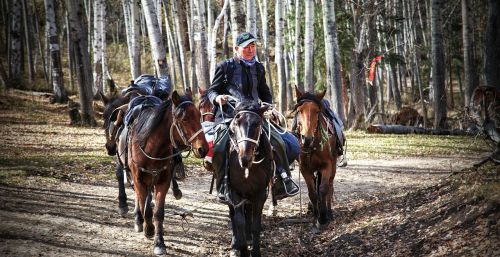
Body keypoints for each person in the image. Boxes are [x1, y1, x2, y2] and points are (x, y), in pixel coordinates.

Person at [206, 32, 300, 201]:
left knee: (281, 142)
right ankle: (223, 185)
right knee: (219, 148)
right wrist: (216, 97)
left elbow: (265, 92)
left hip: (255, 116)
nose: (250, 50)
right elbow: (212, 91)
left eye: (253, 46)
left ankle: (283, 180)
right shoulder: (225, 67)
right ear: (236, 49)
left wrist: (269, 106)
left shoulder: (259, 68)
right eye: (246, 47)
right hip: (229, 116)